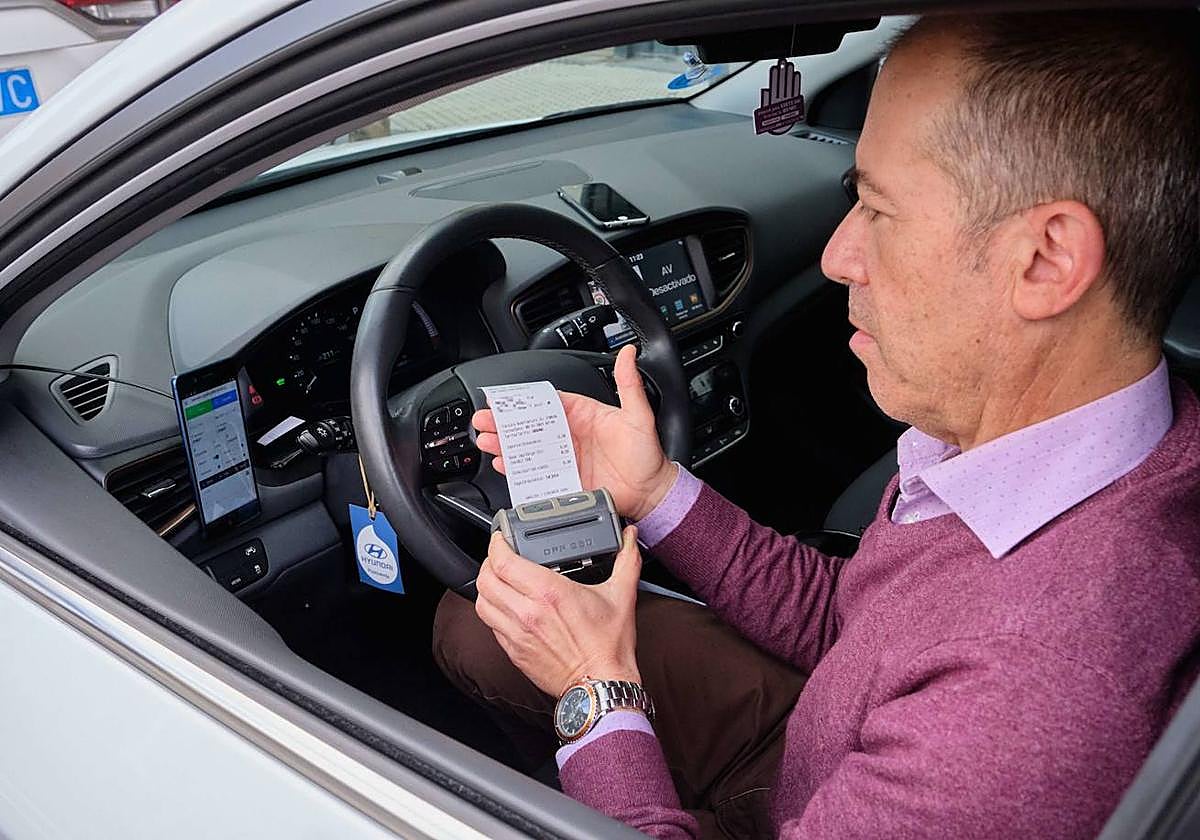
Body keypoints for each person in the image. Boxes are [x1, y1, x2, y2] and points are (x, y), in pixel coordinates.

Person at [433, 10, 1200, 839]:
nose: (838, 256)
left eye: (878, 207)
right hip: (826, 741)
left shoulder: (1019, 719)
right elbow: (858, 621)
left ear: (1046, 260)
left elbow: (959, 697)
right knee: (475, 626)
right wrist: (652, 490)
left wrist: (596, 692)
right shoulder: (1059, 450)